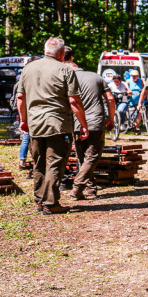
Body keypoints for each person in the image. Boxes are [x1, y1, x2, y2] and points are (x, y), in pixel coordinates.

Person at [16, 37, 89, 215]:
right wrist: (84, 125)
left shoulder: (28, 68)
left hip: (35, 124)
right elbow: (74, 101)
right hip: (57, 125)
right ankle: (50, 203)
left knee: (39, 162)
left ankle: (40, 199)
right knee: (55, 162)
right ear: (62, 53)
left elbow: (20, 98)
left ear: (45, 50)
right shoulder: (65, 69)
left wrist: (23, 120)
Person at [64, 46, 116, 200]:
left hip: (75, 122)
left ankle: (90, 190)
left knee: (82, 158)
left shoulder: (65, 78)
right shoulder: (96, 77)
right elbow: (111, 99)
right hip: (95, 121)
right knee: (92, 157)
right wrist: (111, 118)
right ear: (74, 60)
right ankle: (78, 187)